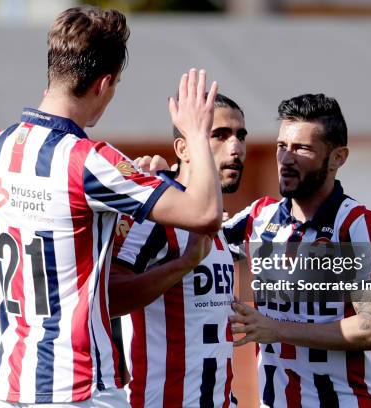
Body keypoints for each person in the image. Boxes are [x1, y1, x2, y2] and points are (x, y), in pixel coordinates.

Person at [0, 5, 223, 407]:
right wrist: (196, 133)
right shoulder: (90, 160)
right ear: (104, 83)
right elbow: (204, 212)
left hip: (7, 386)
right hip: (79, 386)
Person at [225, 94, 371, 407]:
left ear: (337, 158)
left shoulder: (362, 226)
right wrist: (164, 178)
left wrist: (275, 329)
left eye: (302, 148)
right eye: (282, 146)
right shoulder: (258, 216)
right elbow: (192, 234)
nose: (286, 159)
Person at [109, 94, 247, 407]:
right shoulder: (158, 215)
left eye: (240, 135)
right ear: (183, 148)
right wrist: (184, 264)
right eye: (220, 135)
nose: (235, 147)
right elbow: (110, 297)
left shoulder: (223, 224)